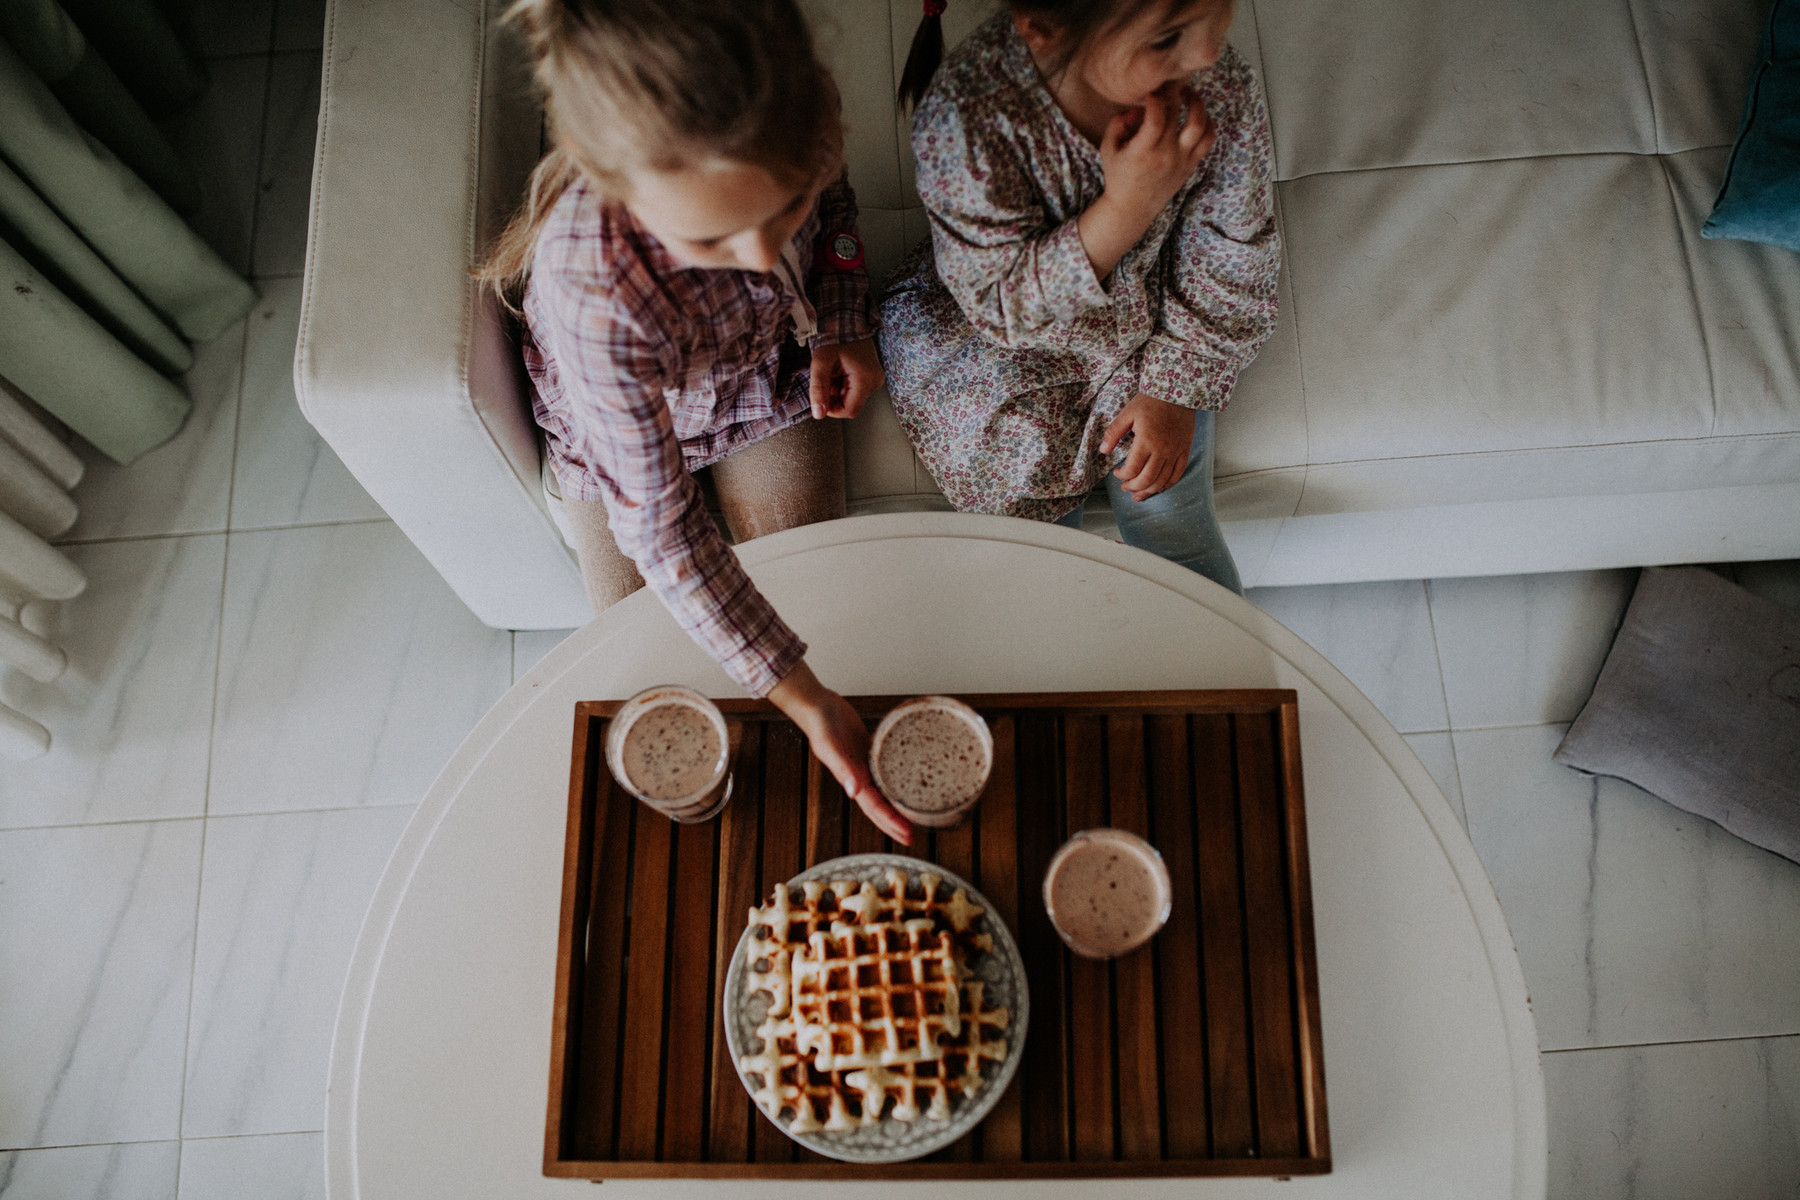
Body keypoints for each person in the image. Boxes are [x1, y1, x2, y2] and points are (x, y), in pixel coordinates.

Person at [480, 0, 911, 843]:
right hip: (616, 449)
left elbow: (836, 218)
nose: (758, 262)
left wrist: (839, 317)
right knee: (646, 685)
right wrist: (802, 696)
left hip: (758, 382)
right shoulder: (592, 289)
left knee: (819, 607)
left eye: (777, 211)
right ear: (618, 185)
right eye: (713, 240)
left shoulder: (800, 112)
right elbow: (663, 530)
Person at [882, 0, 1279, 593]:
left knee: (1173, 522)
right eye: (1168, 37)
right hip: (1001, 352)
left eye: (1218, 25)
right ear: (1040, 28)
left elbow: (1234, 251)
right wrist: (1128, 207)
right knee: (1036, 561)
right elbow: (1000, 302)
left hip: (1152, 332)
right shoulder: (968, 116)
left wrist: (1172, 392)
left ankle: (1222, 681)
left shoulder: (1214, 88)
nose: (1206, 56)